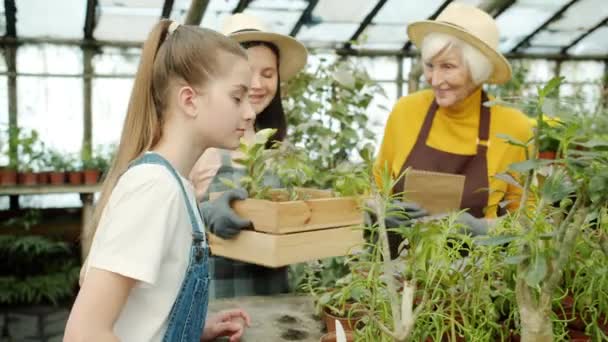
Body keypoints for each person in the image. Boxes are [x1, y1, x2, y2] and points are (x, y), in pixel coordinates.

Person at [64, 20, 253, 342]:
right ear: (190, 100)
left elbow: (141, 315)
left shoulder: (175, 185)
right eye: (238, 97)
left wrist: (197, 329)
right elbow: (85, 334)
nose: (249, 112)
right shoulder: (155, 189)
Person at [373, 3, 533, 258]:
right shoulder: (406, 112)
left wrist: (480, 228)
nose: (435, 80)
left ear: (477, 69)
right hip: (397, 276)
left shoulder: (514, 129)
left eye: (448, 66)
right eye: (429, 65)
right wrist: (383, 211)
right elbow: (372, 190)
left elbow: (532, 221)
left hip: (479, 281)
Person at [189, 13, 308, 299]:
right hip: (217, 301)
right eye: (246, 73)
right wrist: (203, 216)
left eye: (268, 74)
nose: (256, 84)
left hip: (275, 296)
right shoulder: (201, 141)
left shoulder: (277, 145)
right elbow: (165, 220)